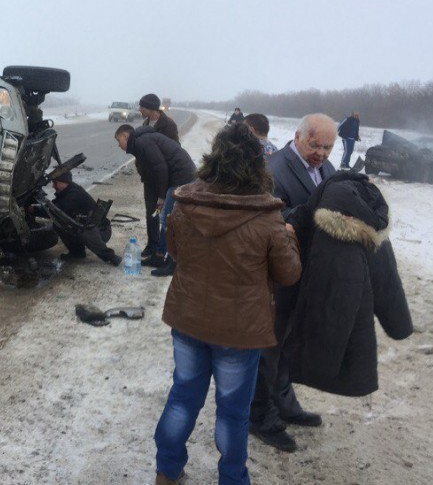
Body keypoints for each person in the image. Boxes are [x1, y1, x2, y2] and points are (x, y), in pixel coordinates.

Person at [153, 122, 301, 485]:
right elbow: (289, 274)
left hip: (188, 321)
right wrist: (290, 239)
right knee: (233, 413)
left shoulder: (183, 203)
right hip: (239, 331)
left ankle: (166, 472)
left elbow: (174, 251)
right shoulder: (268, 218)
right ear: (257, 165)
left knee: (183, 398)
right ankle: (233, 479)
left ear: (212, 159)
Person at [250, 113, 336, 452]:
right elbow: (265, 218)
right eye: (315, 145)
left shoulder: (327, 169)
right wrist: (304, 217)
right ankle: (258, 413)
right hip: (276, 273)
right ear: (298, 137)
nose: (321, 153)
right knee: (267, 346)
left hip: (305, 270)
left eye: (328, 147)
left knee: (287, 344)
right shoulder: (274, 168)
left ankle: (284, 402)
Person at [285, 172, 413, 396]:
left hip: (328, 322)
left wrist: (313, 364)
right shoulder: (370, 219)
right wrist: (399, 324)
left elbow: (330, 300)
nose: (322, 152)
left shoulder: (332, 233)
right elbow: (387, 279)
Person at [114, 124, 195, 277]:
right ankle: (159, 256)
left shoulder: (142, 142)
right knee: (166, 218)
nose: (118, 145)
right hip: (178, 175)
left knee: (168, 220)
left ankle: (172, 262)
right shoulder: (141, 141)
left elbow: (161, 168)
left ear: (125, 136)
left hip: (181, 176)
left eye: (119, 140)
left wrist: (162, 196)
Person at [136, 93, 180, 260]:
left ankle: (163, 249)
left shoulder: (168, 125)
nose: (139, 110)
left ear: (151, 108)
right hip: (149, 177)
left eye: (142, 107)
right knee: (150, 212)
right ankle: (152, 245)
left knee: (163, 213)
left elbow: (174, 150)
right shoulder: (146, 123)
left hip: (164, 176)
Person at [48, 171, 122, 266]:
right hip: (93, 228)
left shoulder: (74, 195)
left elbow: (55, 210)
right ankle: (77, 253)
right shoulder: (68, 190)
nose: (53, 186)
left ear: (64, 182)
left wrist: (34, 209)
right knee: (60, 223)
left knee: (83, 227)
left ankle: (111, 257)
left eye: (55, 183)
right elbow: (54, 206)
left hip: (102, 231)